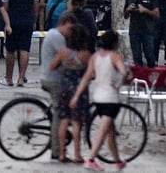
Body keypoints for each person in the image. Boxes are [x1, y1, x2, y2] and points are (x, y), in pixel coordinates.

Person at [71, 30, 129, 171]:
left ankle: (117, 160)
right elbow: (124, 73)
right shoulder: (115, 56)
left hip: (98, 96)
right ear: (115, 43)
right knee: (103, 131)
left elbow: (87, 77)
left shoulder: (95, 57)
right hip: (110, 98)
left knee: (110, 130)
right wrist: (119, 84)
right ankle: (91, 158)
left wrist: (76, 95)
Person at [50, 24, 92, 164]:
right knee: (76, 122)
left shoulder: (64, 53)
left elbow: (52, 66)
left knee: (63, 120)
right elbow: (92, 73)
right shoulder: (85, 55)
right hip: (78, 90)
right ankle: (77, 154)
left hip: (64, 88)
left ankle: (62, 153)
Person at [39, 11, 78, 161]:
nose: (70, 33)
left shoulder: (55, 35)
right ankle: (56, 149)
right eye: (70, 28)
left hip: (52, 77)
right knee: (60, 114)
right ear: (63, 23)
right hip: (53, 80)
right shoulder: (56, 37)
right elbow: (67, 57)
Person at [2, 0, 41, 87]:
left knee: (10, 50)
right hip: (27, 22)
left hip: (12, 23)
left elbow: (5, 8)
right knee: (24, 49)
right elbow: (36, 8)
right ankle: (20, 77)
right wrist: (34, 20)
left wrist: (6, 22)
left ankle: (9, 78)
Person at [123, 0, 159, 67]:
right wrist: (128, 9)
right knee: (136, 56)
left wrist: (145, 10)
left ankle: (152, 73)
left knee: (149, 55)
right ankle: (139, 75)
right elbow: (125, 16)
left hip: (147, 30)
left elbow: (156, 14)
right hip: (134, 31)